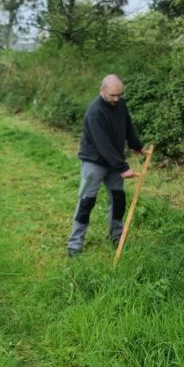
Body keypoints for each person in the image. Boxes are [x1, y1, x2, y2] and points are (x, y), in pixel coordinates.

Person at [67, 74, 146, 257]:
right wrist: (123, 167)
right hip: (93, 163)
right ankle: (75, 245)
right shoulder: (94, 112)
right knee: (86, 202)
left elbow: (127, 127)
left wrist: (137, 146)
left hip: (114, 163)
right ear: (102, 90)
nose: (117, 99)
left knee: (118, 200)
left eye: (120, 95)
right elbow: (103, 145)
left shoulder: (120, 104)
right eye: (113, 95)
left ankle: (117, 238)